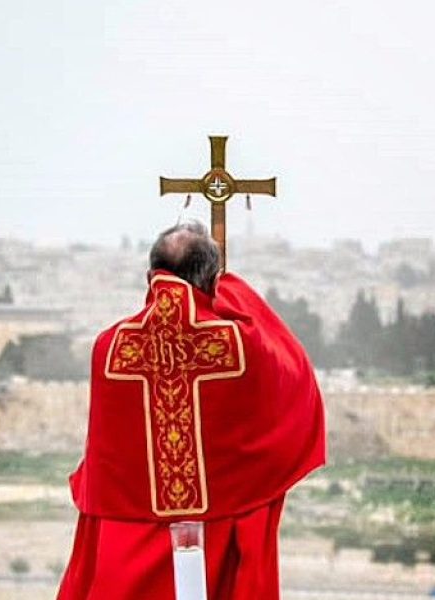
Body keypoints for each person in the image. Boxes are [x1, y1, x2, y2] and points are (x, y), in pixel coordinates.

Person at [58, 222, 326, 600]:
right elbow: (294, 371)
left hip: (125, 540)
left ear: (151, 275)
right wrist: (233, 288)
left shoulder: (110, 347)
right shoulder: (240, 346)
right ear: (211, 279)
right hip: (217, 533)